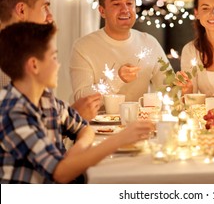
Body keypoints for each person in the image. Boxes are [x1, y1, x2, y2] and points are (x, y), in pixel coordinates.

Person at [0, 22, 153, 183]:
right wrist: (119, 139)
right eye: (53, 57)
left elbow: (83, 127)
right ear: (34, 65)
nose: (58, 65)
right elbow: (60, 173)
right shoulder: (12, 111)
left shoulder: (46, 99)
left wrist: (74, 153)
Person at [0, 0, 101, 121]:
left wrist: (69, 116)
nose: (50, 16)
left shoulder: (29, 49)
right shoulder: (9, 61)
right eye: (44, 7)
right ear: (21, 10)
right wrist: (74, 116)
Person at [70, 0, 171, 102]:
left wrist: (182, 87)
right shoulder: (84, 47)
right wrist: (117, 79)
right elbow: (81, 98)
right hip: (96, 121)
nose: (125, 10)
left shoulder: (149, 43)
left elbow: (168, 87)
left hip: (140, 120)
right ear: (102, 11)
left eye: (129, 3)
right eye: (116, 4)